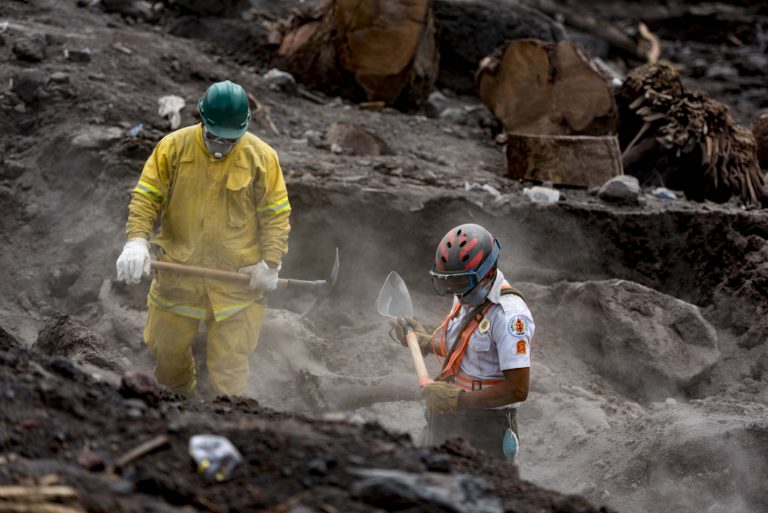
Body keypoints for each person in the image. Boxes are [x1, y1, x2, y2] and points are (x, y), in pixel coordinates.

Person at [115, 80, 291, 397]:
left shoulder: (262, 158)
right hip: (178, 278)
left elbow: (275, 215)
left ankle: (228, 418)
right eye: (214, 137)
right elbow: (146, 198)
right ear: (202, 121)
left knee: (230, 371)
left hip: (236, 285)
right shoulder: (173, 148)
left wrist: (270, 263)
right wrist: (137, 241)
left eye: (230, 140)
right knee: (168, 359)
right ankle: (177, 410)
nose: (221, 145)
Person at [393, 223, 533, 460]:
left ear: (487, 272)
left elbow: (517, 389)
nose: (455, 292)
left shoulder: (510, 316)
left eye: (460, 284)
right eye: (448, 283)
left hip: (486, 428)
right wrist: (426, 342)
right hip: (450, 417)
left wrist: (457, 399)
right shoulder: (466, 292)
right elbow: (470, 349)